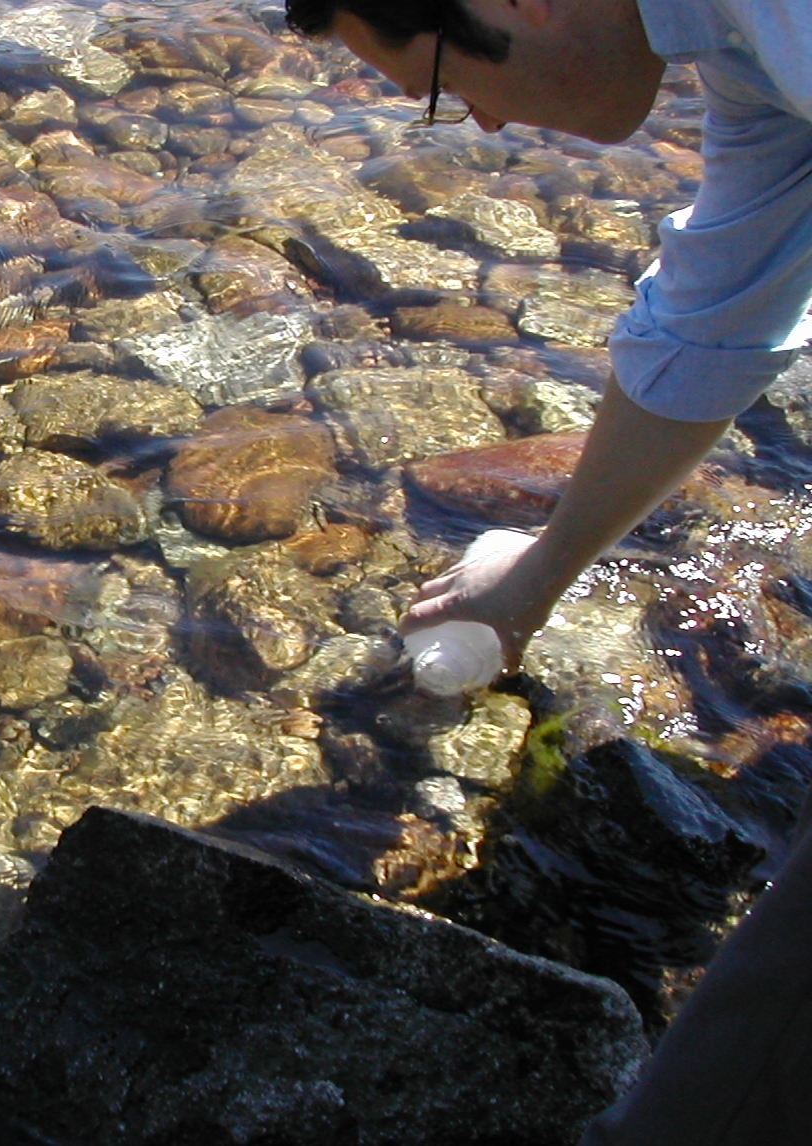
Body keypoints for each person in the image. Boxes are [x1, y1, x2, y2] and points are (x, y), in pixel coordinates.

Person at [283, 0, 812, 1142]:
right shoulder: (751, 62)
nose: (476, 115)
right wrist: (540, 570)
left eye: (434, 82)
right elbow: (716, 316)